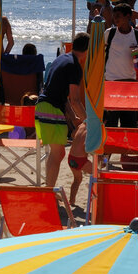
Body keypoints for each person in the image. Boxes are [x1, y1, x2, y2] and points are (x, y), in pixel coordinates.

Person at [35, 33, 90, 206]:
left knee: (56, 153)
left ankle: (48, 190)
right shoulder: (75, 66)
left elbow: (61, 93)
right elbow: (75, 99)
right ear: (88, 49)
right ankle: (48, 193)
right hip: (50, 109)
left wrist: (73, 117)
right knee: (57, 153)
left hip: (44, 107)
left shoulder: (62, 58)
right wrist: (90, 121)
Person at [103, 3, 138, 170]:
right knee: (110, 124)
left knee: (129, 124)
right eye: (114, 16)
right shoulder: (109, 33)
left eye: (118, 16)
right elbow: (99, 53)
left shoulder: (137, 35)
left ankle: (125, 156)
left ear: (128, 16)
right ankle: (106, 158)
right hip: (111, 83)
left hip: (130, 83)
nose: (115, 19)